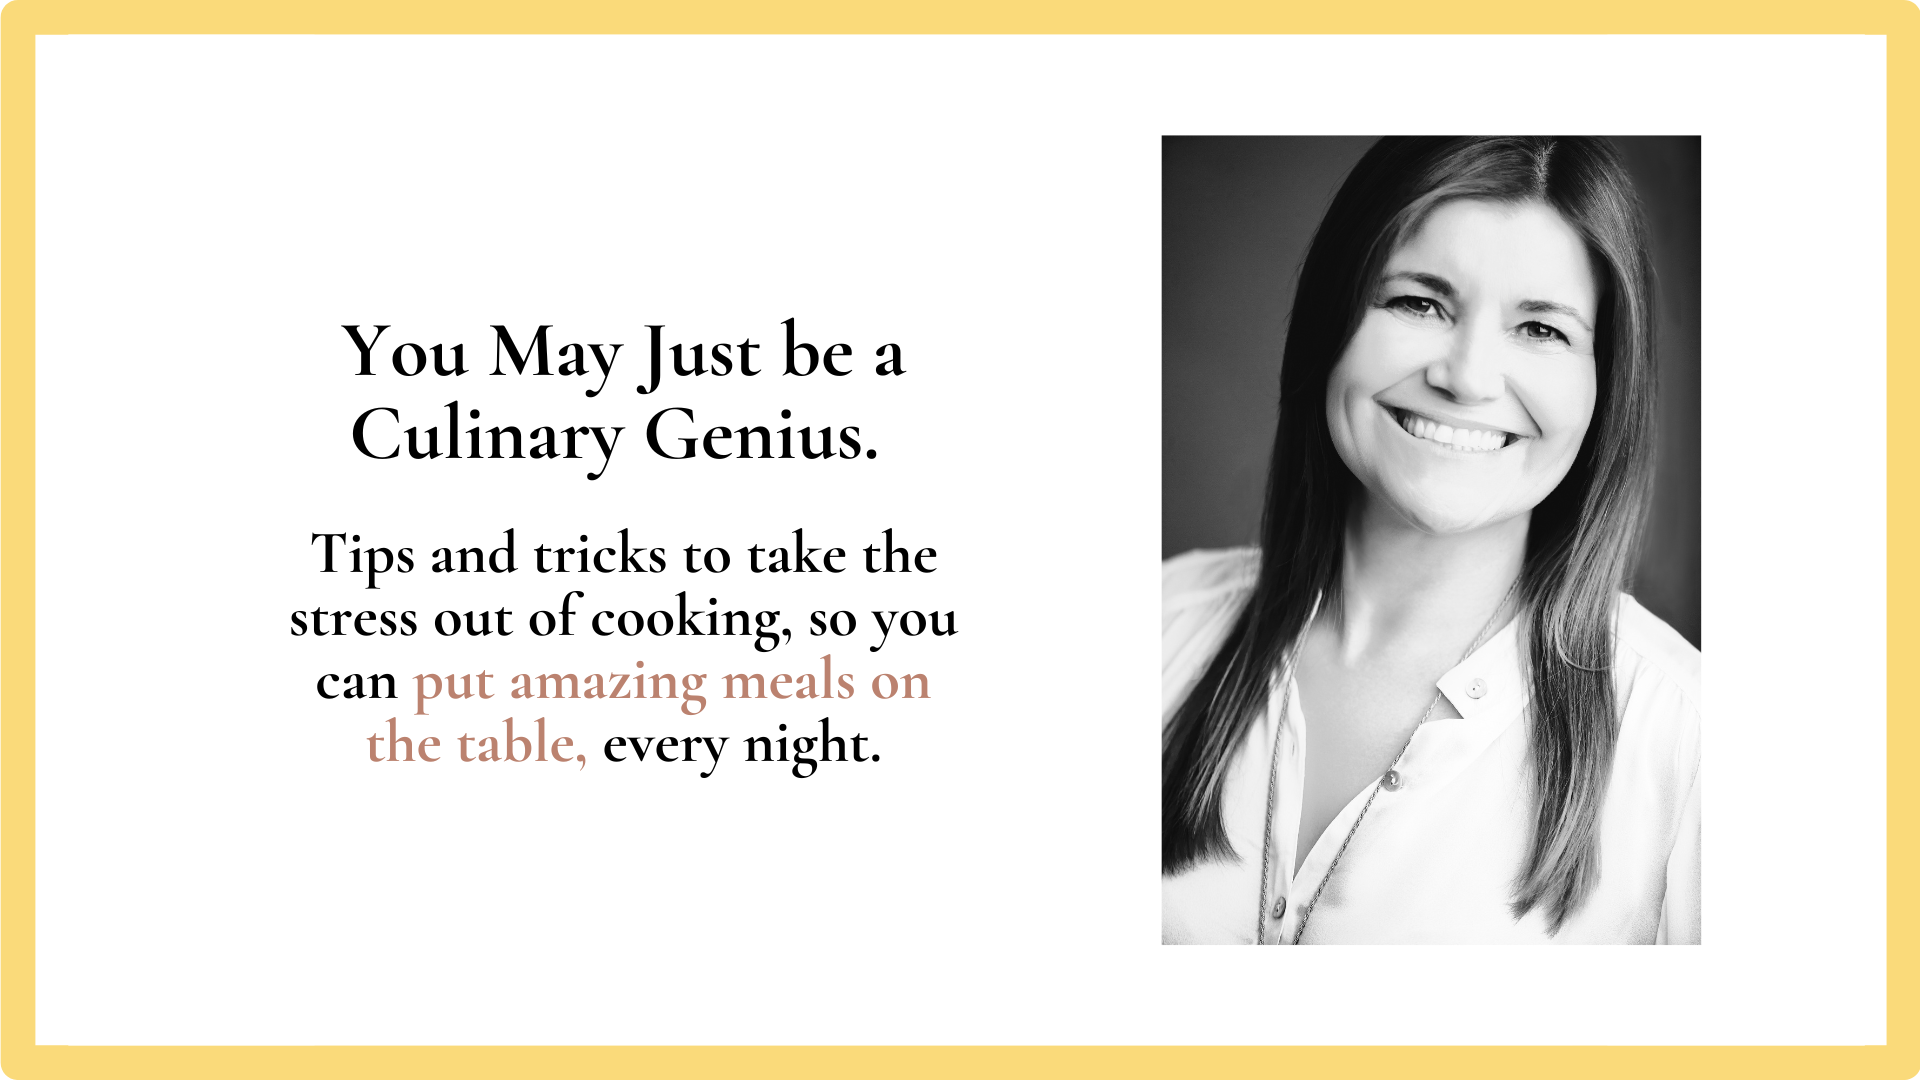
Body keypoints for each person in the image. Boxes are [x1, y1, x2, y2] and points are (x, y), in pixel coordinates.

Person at [1162, 137, 1700, 945]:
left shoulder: (1693, 739)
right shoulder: (1157, 618)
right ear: (1330, 323)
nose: (1469, 376)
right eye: (1419, 303)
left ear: (1604, 383)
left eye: (1541, 330)